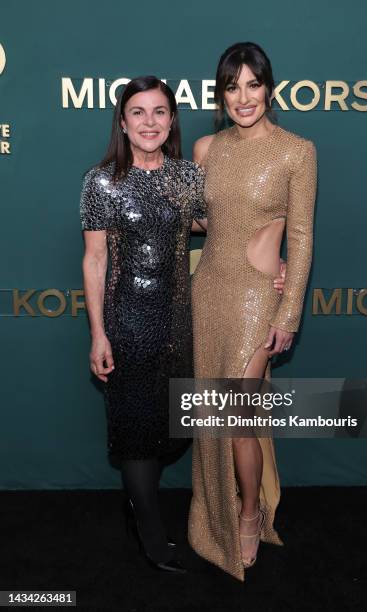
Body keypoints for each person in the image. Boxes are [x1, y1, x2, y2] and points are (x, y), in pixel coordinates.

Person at [188, 42, 318, 581]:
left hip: (257, 300)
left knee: (239, 417)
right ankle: (213, 511)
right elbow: (201, 223)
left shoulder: (297, 151)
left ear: (269, 88)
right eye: (232, 86)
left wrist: (287, 314)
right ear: (222, 93)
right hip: (209, 290)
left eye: (252, 84)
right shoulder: (205, 148)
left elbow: (304, 235)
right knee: (212, 418)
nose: (243, 97)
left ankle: (248, 515)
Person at [79, 76, 208, 574]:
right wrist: (98, 333)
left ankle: (138, 506)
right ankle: (151, 534)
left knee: (169, 426)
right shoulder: (102, 180)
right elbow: (93, 261)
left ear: (172, 120)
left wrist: (274, 260)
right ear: (123, 122)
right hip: (127, 320)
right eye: (138, 112)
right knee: (135, 427)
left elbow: (224, 230)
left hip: (179, 321)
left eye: (159, 112)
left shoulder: (188, 177)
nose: (149, 122)